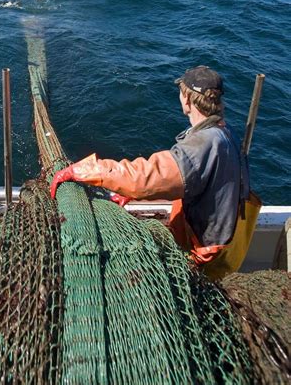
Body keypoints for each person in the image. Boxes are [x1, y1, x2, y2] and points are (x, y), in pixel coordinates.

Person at [51, 66, 256, 278]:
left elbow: (146, 177)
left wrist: (84, 170)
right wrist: (129, 192)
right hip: (227, 242)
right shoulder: (225, 132)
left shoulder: (204, 144)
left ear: (186, 99)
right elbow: (184, 178)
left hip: (204, 252)